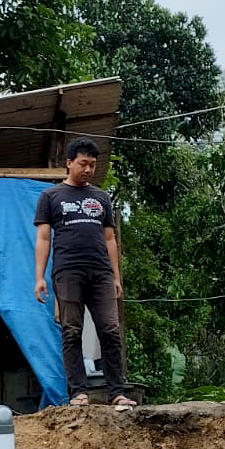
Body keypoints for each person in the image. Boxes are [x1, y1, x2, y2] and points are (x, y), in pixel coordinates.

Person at [33, 138, 136, 407]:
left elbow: (110, 239)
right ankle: (78, 393)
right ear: (69, 163)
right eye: (83, 164)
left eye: (92, 164)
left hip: (101, 273)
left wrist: (115, 276)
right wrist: (39, 277)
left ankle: (117, 392)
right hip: (67, 271)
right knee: (71, 331)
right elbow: (43, 238)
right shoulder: (50, 197)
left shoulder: (101, 197)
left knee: (110, 330)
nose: (88, 169)